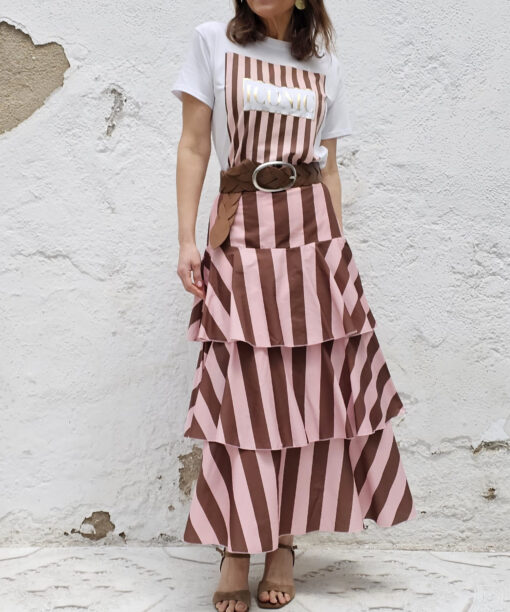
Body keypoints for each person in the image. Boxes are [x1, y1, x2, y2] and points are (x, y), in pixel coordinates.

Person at [171, 1, 417, 610]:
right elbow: (195, 145)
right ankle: (237, 547)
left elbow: (328, 167)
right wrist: (186, 240)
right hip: (243, 225)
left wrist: (335, 244)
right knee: (247, 389)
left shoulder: (324, 61)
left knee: (306, 389)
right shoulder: (213, 41)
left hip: (311, 231)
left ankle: (282, 543)